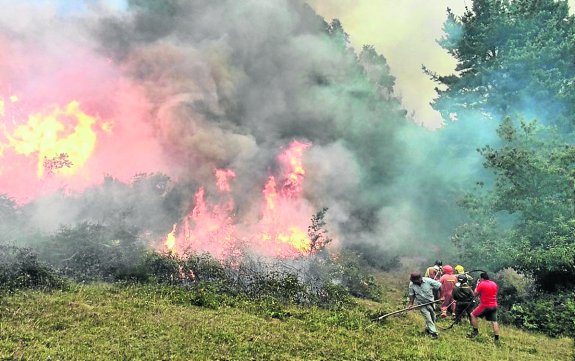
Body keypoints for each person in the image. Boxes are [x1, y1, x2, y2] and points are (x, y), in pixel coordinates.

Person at [407, 272, 442, 339]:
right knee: (428, 318)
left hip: (431, 302)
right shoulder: (411, 284)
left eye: (416, 281)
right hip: (421, 304)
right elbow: (411, 295)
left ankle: (428, 329)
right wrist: (410, 304)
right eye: (414, 281)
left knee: (433, 317)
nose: (415, 282)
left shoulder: (428, 281)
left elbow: (440, 286)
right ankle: (434, 333)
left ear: (420, 279)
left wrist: (442, 296)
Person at [468, 272, 500, 343]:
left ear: (482, 278)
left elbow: (474, 294)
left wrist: (477, 285)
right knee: (494, 321)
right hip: (494, 305)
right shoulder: (494, 284)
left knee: (472, 315)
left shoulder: (481, 284)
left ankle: (475, 332)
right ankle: (497, 339)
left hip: (485, 305)